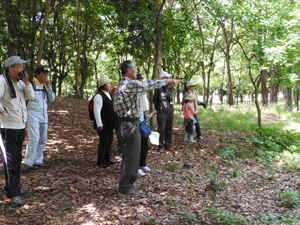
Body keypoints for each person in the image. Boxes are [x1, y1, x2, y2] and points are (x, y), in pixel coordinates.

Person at [113, 60, 179, 196]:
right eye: (135, 68)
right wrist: (167, 81)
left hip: (127, 124)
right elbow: (147, 85)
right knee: (132, 156)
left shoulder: (122, 84)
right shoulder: (128, 84)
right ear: (128, 70)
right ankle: (125, 188)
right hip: (130, 125)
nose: (136, 71)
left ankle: (125, 185)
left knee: (129, 155)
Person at [0, 56, 35, 207]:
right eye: (20, 67)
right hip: (7, 127)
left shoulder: (20, 83)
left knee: (16, 160)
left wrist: (27, 83)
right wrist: (2, 110)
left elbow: (31, 96)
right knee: (10, 162)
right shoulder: (2, 82)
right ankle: (13, 195)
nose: (22, 70)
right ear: (10, 69)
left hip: (20, 125)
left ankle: (13, 188)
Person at [24, 65, 56, 171]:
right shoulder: (31, 85)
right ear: (37, 75)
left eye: (47, 75)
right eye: (43, 75)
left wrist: (49, 87)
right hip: (32, 116)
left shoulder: (44, 86)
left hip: (43, 117)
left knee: (42, 140)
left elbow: (52, 99)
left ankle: (38, 160)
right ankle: (28, 162)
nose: (46, 77)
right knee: (34, 139)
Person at [93, 76, 117, 168]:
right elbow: (97, 111)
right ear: (103, 85)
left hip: (110, 124)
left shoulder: (109, 94)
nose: (110, 85)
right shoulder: (99, 96)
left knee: (110, 141)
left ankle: (107, 159)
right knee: (104, 142)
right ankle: (101, 161)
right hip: (103, 124)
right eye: (108, 83)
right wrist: (99, 123)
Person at [153, 71, 175, 151]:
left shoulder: (169, 87)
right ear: (162, 78)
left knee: (169, 129)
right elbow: (155, 100)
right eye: (166, 77)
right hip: (162, 112)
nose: (168, 79)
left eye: (168, 77)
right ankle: (160, 146)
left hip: (170, 111)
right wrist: (159, 109)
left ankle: (168, 145)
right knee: (161, 130)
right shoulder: (158, 88)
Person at [136, 73, 151, 176]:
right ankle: (136, 167)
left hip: (142, 122)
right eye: (139, 81)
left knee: (145, 145)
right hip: (135, 123)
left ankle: (143, 164)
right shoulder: (131, 92)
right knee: (137, 146)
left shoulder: (142, 93)